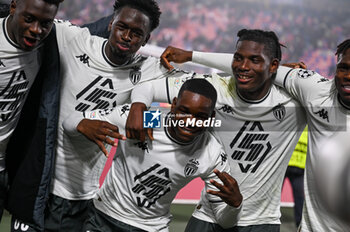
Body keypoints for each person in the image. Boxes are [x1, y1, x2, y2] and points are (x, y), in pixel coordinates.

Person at [129, 29, 307, 232]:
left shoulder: (294, 101)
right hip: (208, 216)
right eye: (238, 58)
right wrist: (138, 108)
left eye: (255, 60)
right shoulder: (215, 88)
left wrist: (280, 73)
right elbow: (148, 88)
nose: (243, 66)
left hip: (261, 223)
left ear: (273, 65)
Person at [42, 0, 194, 231]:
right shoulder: (75, 40)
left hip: (85, 194)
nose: (126, 36)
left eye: (136, 33)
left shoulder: (149, 70)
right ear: (111, 23)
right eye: (122, 27)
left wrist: (195, 56)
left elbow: (205, 90)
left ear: (146, 40)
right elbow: (26, 15)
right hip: (41, 182)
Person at [63, 78, 243, 232]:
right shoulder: (145, 119)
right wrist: (83, 124)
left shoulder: (211, 152)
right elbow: (69, 121)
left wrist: (235, 206)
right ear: (173, 105)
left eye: (201, 116)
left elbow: (225, 221)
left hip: (151, 227)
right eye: (184, 111)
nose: (190, 121)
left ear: (211, 116)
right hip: (104, 218)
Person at [273, 39, 350, 231]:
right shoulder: (316, 92)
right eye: (343, 67)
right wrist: (279, 69)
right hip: (292, 165)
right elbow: (249, 66)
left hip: (298, 165)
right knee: (276, 200)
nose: (348, 75)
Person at [0, 0, 61, 228]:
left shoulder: (47, 44)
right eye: (29, 19)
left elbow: (104, 28)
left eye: (45, 23)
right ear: (14, 7)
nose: (36, 30)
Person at [283, 127, 307, 228]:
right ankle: (268, 220)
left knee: (300, 198)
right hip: (285, 166)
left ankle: (299, 224)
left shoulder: (309, 129)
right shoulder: (294, 124)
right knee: (274, 195)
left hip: (299, 169)